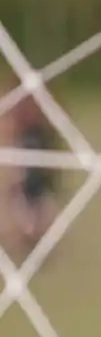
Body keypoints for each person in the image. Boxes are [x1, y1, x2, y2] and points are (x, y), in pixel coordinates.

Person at [0, 91, 58, 261]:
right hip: (21, 189)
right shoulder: (17, 138)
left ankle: (35, 246)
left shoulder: (37, 135)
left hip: (34, 186)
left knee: (39, 218)